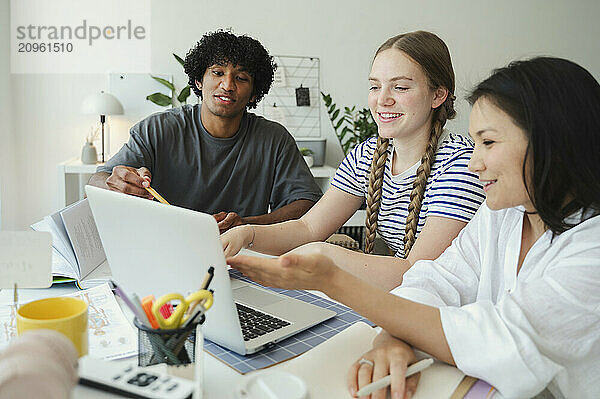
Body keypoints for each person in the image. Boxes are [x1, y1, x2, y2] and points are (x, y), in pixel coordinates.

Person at [227, 57, 600, 399]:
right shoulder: (504, 214)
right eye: (375, 86)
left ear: (553, 140)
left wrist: (333, 279)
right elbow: (435, 278)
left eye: (488, 142)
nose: (475, 163)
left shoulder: (590, 247)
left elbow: (501, 336)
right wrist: (393, 337)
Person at [222, 31, 484, 290]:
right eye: (375, 86)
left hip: (450, 309)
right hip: (403, 299)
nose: (382, 99)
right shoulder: (367, 155)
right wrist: (247, 234)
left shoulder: (461, 164)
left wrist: (324, 255)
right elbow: (308, 227)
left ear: (438, 95)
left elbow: (416, 272)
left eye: (400, 87)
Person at [89, 31, 322, 232]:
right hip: (164, 247)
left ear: (254, 93)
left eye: (241, 78)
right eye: (218, 72)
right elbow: (96, 181)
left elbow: (307, 202)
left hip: (243, 254)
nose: (227, 85)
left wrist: (248, 227)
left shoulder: (273, 139)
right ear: (199, 80)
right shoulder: (157, 129)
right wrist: (115, 182)